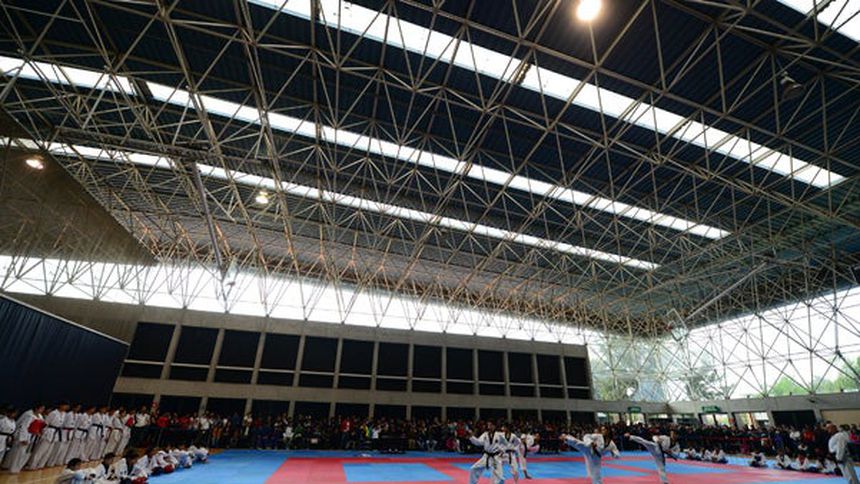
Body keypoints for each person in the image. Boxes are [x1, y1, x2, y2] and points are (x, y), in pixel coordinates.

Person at [2, 403, 43, 473]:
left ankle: (13, 467)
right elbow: (24, 427)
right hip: (23, 435)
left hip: (31, 435)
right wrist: (23, 438)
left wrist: (38, 432)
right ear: (36, 408)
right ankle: (12, 468)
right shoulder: (29, 415)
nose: (42, 410)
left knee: (22, 453)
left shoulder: (40, 416)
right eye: (41, 408)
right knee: (18, 452)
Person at [29, 402, 68, 470]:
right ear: (61, 405)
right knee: (41, 450)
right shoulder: (53, 413)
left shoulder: (64, 414)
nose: (66, 407)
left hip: (56, 433)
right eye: (65, 406)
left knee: (48, 451)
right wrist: (43, 432)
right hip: (49, 432)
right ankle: (32, 465)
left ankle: (41, 465)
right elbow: (46, 423)